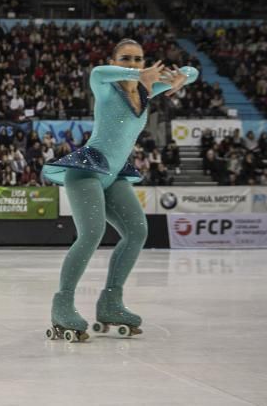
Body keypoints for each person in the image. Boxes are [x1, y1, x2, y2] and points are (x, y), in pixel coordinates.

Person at [41, 40, 197, 342]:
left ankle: (111, 302)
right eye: (126, 58)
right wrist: (139, 74)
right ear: (115, 60)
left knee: (137, 231)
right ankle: (62, 305)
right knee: (91, 233)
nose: (134, 63)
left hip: (113, 174)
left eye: (139, 59)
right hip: (86, 170)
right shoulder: (104, 86)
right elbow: (99, 72)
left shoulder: (147, 89)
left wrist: (181, 77)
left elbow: (192, 71)